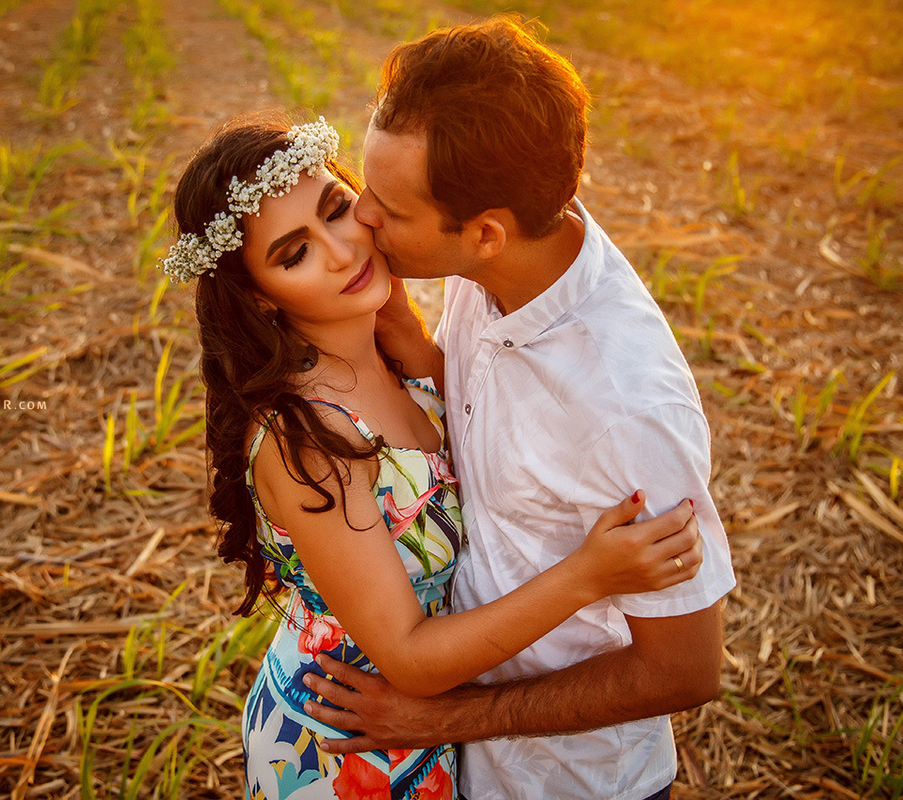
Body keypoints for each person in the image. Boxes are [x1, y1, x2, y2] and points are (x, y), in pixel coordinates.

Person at [162, 113, 704, 799]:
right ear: (260, 301)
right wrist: (587, 576)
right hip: (349, 739)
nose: (340, 250)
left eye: (336, 209)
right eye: (294, 254)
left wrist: (421, 352)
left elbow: (483, 432)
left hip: (429, 732)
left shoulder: (398, 350)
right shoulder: (311, 440)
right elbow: (411, 658)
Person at [300, 16, 737, 800]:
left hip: (567, 782)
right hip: (461, 760)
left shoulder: (625, 407)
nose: (363, 216)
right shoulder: (500, 259)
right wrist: (406, 341)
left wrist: (440, 719)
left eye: (390, 210)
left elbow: (684, 670)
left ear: (485, 234)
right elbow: (493, 422)